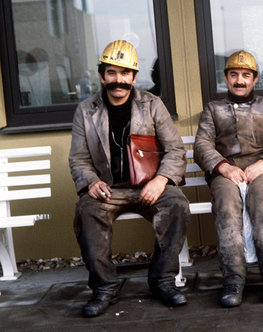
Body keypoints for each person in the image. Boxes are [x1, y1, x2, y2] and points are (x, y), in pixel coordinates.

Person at [69, 40, 190, 317]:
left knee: (176, 205)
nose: (118, 80)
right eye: (111, 73)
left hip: (150, 186)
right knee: (86, 210)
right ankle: (104, 288)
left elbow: (174, 149)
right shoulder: (86, 111)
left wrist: (161, 180)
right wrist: (91, 182)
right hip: (109, 190)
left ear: (134, 77)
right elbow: (78, 158)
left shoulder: (152, 105)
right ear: (102, 76)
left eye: (125, 73)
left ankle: (162, 281)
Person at [194, 50, 263, 307]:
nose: (240, 80)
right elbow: (202, 145)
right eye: (234, 75)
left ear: (255, 79)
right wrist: (224, 168)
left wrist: (262, 164)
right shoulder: (213, 109)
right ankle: (233, 279)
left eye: (246, 75)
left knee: (261, 200)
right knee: (226, 204)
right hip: (226, 172)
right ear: (226, 78)